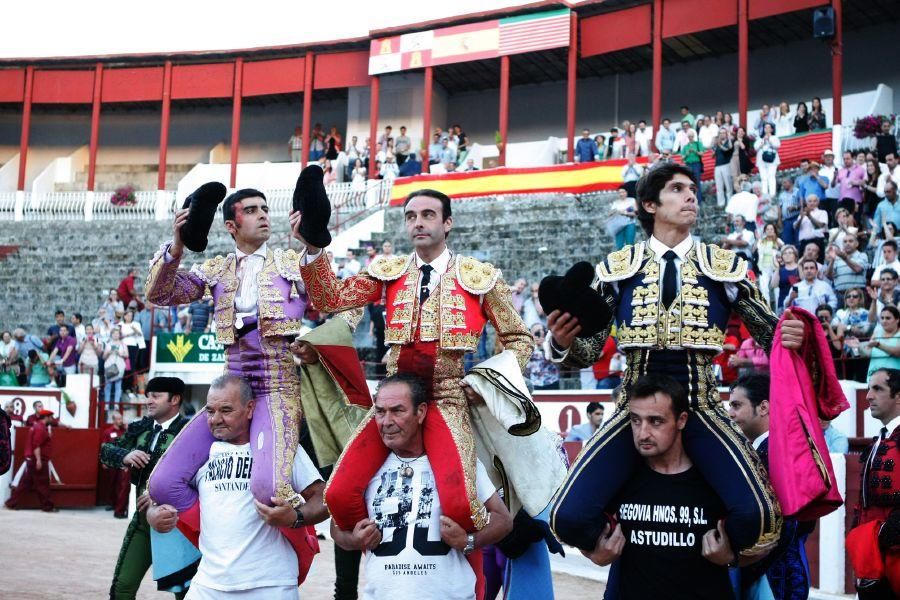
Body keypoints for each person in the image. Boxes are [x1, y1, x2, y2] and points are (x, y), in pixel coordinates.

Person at [547, 162, 805, 560]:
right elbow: (589, 350)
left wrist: (795, 335)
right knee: (567, 516)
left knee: (760, 518)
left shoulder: (724, 267)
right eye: (678, 189)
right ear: (649, 204)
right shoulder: (618, 268)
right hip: (633, 408)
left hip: (699, 404)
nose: (691, 197)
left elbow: (771, 333)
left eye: (693, 190)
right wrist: (562, 343)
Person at [294, 188, 532, 535]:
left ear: (447, 223)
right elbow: (330, 297)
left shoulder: (478, 277)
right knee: (340, 493)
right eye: (411, 217)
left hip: (447, 396)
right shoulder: (389, 273)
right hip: (393, 399)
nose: (418, 223)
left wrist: (488, 383)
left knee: (460, 506)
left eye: (428, 215)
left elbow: (519, 338)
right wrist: (313, 248)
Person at [144, 178, 334, 516]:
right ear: (232, 226)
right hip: (230, 388)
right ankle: (218, 531)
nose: (263, 215)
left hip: (277, 385)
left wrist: (315, 343)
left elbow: (336, 300)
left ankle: (290, 539)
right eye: (251, 210)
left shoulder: (292, 263)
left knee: (270, 489)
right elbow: (160, 294)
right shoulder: (215, 270)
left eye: (265, 209)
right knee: (162, 484)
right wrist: (177, 245)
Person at [330, 374, 513, 600]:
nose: (386, 421)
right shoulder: (366, 469)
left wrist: (468, 542)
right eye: (380, 411)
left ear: (421, 412)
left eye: (397, 411)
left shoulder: (460, 462)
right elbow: (337, 527)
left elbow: (503, 519)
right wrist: (353, 541)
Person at [147, 375, 328, 600]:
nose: (216, 419)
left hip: (271, 585)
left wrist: (295, 517)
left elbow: (323, 497)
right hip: (208, 584)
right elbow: (154, 503)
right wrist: (154, 516)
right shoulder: (199, 456)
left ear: (250, 408)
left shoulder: (279, 448)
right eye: (211, 411)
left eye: (226, 410)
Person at [580, 376, 736, 599]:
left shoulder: (715, 476)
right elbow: (582, 522)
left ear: (681, 420)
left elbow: (763, 541)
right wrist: (594, 554)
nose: (643, 433)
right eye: (635, 420)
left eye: (655, 421)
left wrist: (732, 558)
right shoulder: (618, 476)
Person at [100, 376, 195, 599]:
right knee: (122, 587)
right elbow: (105, 451)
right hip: (142, 523)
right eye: (148, 396)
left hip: (180, 526)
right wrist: (126, 455)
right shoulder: (139, 428)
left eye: (156, 396)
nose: (149, 401)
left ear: (175, 400)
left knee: (188, 593)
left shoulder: (189, 432)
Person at [727, 373, 813, 599]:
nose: (730, 413)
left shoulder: (779, 452)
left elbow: (791, 525)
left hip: (775, 572)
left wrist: (748, 567)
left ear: (763, 407)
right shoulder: (764, 449)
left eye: (737, 405)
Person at [848, 368, 900, 598]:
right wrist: (859, 551)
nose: (868, 396)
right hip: (871, 554)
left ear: (898, 396)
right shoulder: (881, 438)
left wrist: (884, 537)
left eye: (878, 389)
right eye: (869, 388)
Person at [4, 408, 57, 512]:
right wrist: (38, 460)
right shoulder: (40, 428)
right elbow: (36, 445)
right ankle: (47, 506)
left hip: (32, 460)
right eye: (51, 417)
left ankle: (11, 503)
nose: (52, 419)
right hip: (37, 459)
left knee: (25, 484)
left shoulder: (36, 427)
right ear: (46, 417)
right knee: (43, 484)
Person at [847, 306, 900, 379]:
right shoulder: (877, 333)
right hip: (874, 378)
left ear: (897, 320)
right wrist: (858, 346)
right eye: (882, 318)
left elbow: (897, 352)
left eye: (888, 318)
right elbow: (867, 353)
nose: (884, 321)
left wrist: (878, 345)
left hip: (895, 380)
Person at [101, 411, 130, 519]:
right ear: (113, 420)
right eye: (118, 419)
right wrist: (104, 460)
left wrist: (127, 428)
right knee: (111, 483)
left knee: (121, 484)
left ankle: (119, 505)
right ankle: (112, 504)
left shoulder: (124, 431)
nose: (120, 421)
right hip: (111, 462)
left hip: (122, 461)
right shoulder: (108, 432)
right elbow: (104, 446)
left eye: (121, 419)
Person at [103, 328, 129, 410]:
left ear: (119, 335)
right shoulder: (108, 344)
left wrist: (120, 353)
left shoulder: (123, 344)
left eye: (117, 333)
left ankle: (116, 404)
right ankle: (107, 404)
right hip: (109, 366)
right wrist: (108, 352)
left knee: (118, 385)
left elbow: (127, 355)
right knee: (108, 385)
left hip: (120, 366)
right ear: (111, 335)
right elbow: (103, 357)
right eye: (114, 334)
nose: (115, 335)